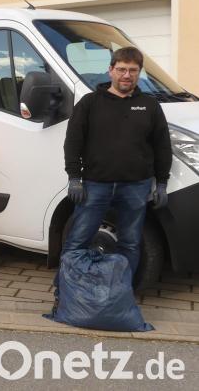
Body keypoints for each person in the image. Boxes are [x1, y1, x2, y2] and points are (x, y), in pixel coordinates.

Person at [61, 46, 171, 282]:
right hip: (95, 186)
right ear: (110, 70)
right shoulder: (90, 103)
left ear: (139, 72)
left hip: (136, 187)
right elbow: (73, 143)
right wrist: (74, 177)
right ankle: (70, 290)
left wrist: (162, 183)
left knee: (130, 243)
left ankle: (121, 294)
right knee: (78, 240)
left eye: (133, 70)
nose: (127, 75)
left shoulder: (150, 105)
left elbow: (162, 146)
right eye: (121, 69)